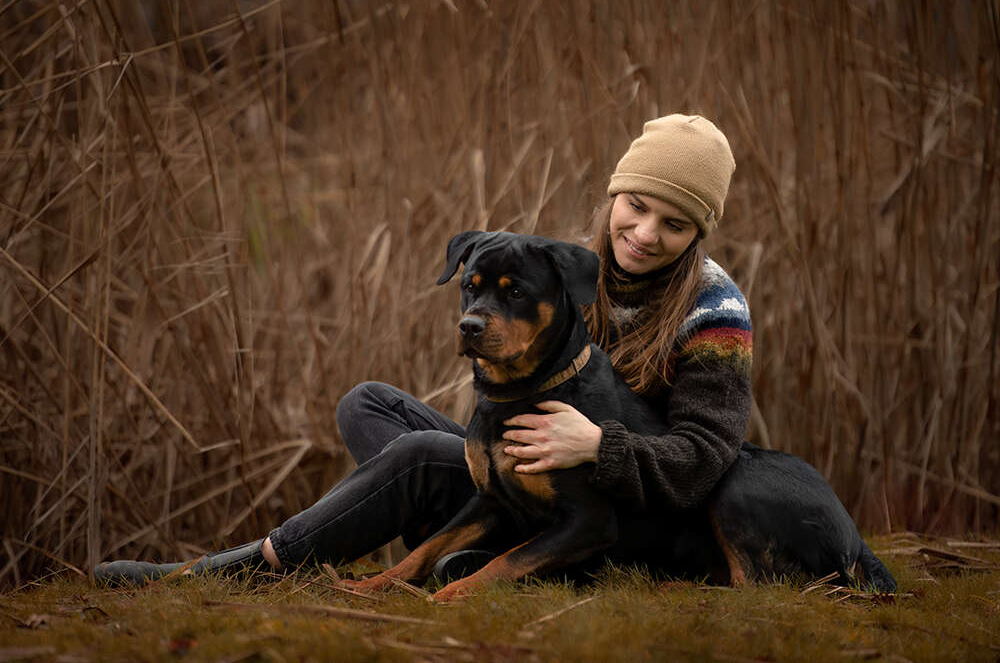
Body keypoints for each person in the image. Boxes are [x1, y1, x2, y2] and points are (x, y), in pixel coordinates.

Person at [95, 114, 752, 587]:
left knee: (411, 457)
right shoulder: (561, 263)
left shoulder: (714, 313)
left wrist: (597, 445)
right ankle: (472, 545)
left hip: (610, 496)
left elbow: (703, 459)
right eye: (635, 206)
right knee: (368, 404)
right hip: (528, 472)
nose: (643, 232)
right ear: (616, 195)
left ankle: (249, 565)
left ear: (698, 233)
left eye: (674, 223)